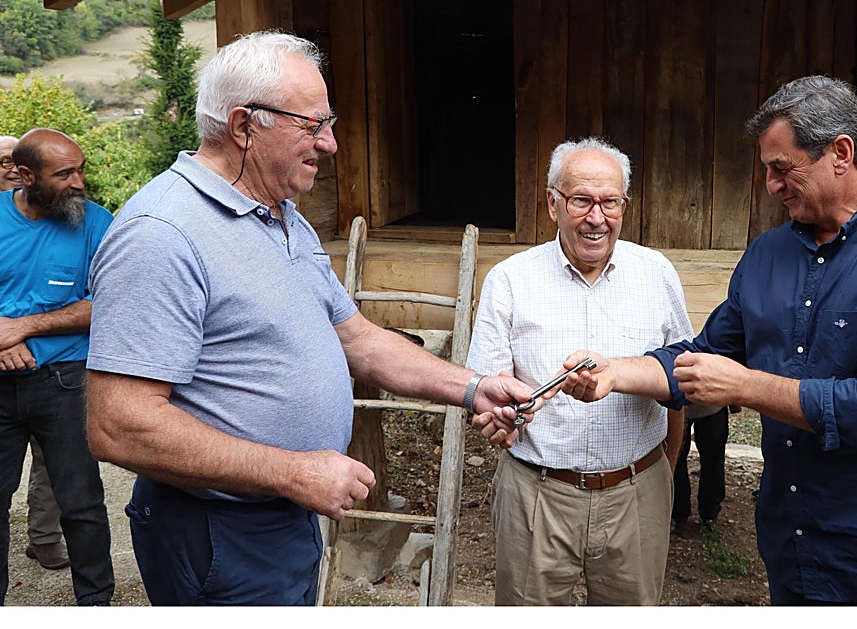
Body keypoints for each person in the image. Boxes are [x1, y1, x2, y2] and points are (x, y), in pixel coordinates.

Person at [85, 30, 537, 606]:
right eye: (313, 125)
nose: (331, 144)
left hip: (281, 513)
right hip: (216, 530)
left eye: (329, 123)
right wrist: (291, 472)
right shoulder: (162, 235)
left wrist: (474, 387)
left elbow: (360, 341)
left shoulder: (281, 217)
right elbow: (119, 424)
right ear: (245, 125)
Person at [556, 76, 857, 606]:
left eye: (783, 168)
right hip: (794, 548)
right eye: (766, 169)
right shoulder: (768, 254)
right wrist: (615, 373)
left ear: (841, 154)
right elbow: (706, 357)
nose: (771, 184)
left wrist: (746, 387)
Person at [466, 137, 692, 606]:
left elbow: (678, 383)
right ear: (553, 203)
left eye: (610, 202)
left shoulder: (657, 274)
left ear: (624, 204)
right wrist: (501, 420)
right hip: (537, 496)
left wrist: (663, 473)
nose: (597, 217)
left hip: (637, 492)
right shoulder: (509, 280)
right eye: (581, 201)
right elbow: (486, 396)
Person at [0, 129, 115, 605]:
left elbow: (107, 299)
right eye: (65, 173)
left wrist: (22, 327)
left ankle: (96, 604)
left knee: (82, 504)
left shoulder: (96, 223)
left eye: (80, 168)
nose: (79, 183)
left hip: (67, 382)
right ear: (25, 176)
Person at [0, 134, 70, 573]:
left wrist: (20, 334)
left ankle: (44, 537)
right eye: (1, 161)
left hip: (49, 361)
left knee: (50, 458)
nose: (9, 167)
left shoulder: (57, 214)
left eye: (14, 160)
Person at [671, 403, 734, 533]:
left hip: (712, 402)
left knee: (713, 459)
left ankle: (710, 512)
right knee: (675, 458)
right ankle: (677, 511)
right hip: (673, 405)